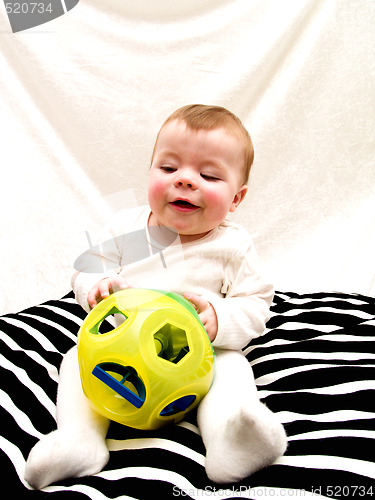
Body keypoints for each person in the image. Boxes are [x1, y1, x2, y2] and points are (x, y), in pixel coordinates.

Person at [25, 104, 287, 489]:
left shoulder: (231, 246)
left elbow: (257, 303)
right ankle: (80, 438)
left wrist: (221, 317)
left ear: (236, 199)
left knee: (233, 370)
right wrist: (95, 286)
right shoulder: (132, 230)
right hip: (121, 352)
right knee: (75, 360)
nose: (184, 180)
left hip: (199, 360)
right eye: (168, 168)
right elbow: (86, 266)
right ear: (150, 173)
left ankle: (228, 442)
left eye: (208, 174)